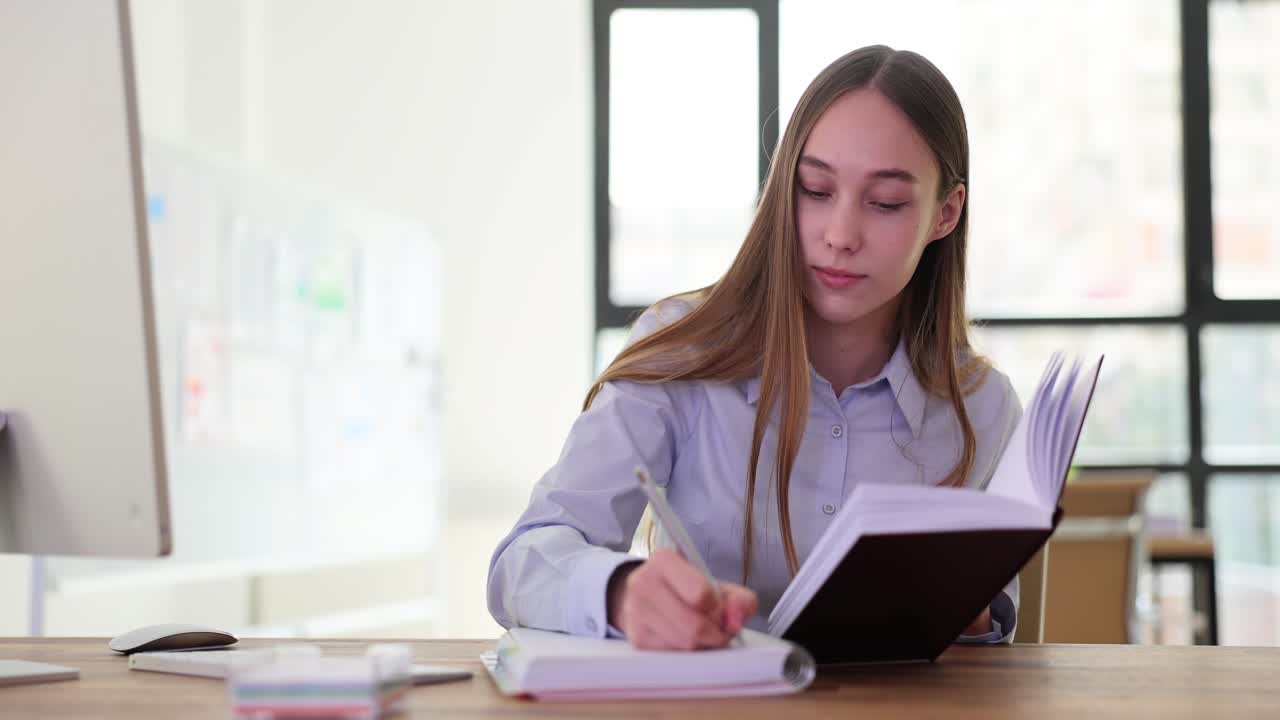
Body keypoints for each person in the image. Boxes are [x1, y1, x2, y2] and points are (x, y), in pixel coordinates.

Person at [487, 45, 1022, 651]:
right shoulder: (681, 355)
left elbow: (991, 640)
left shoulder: (981, 407)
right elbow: (521, 564)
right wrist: (620, 592)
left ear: (945, 214)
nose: (839, 236)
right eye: (815, 190)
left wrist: (968, 613)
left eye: (886, 203)